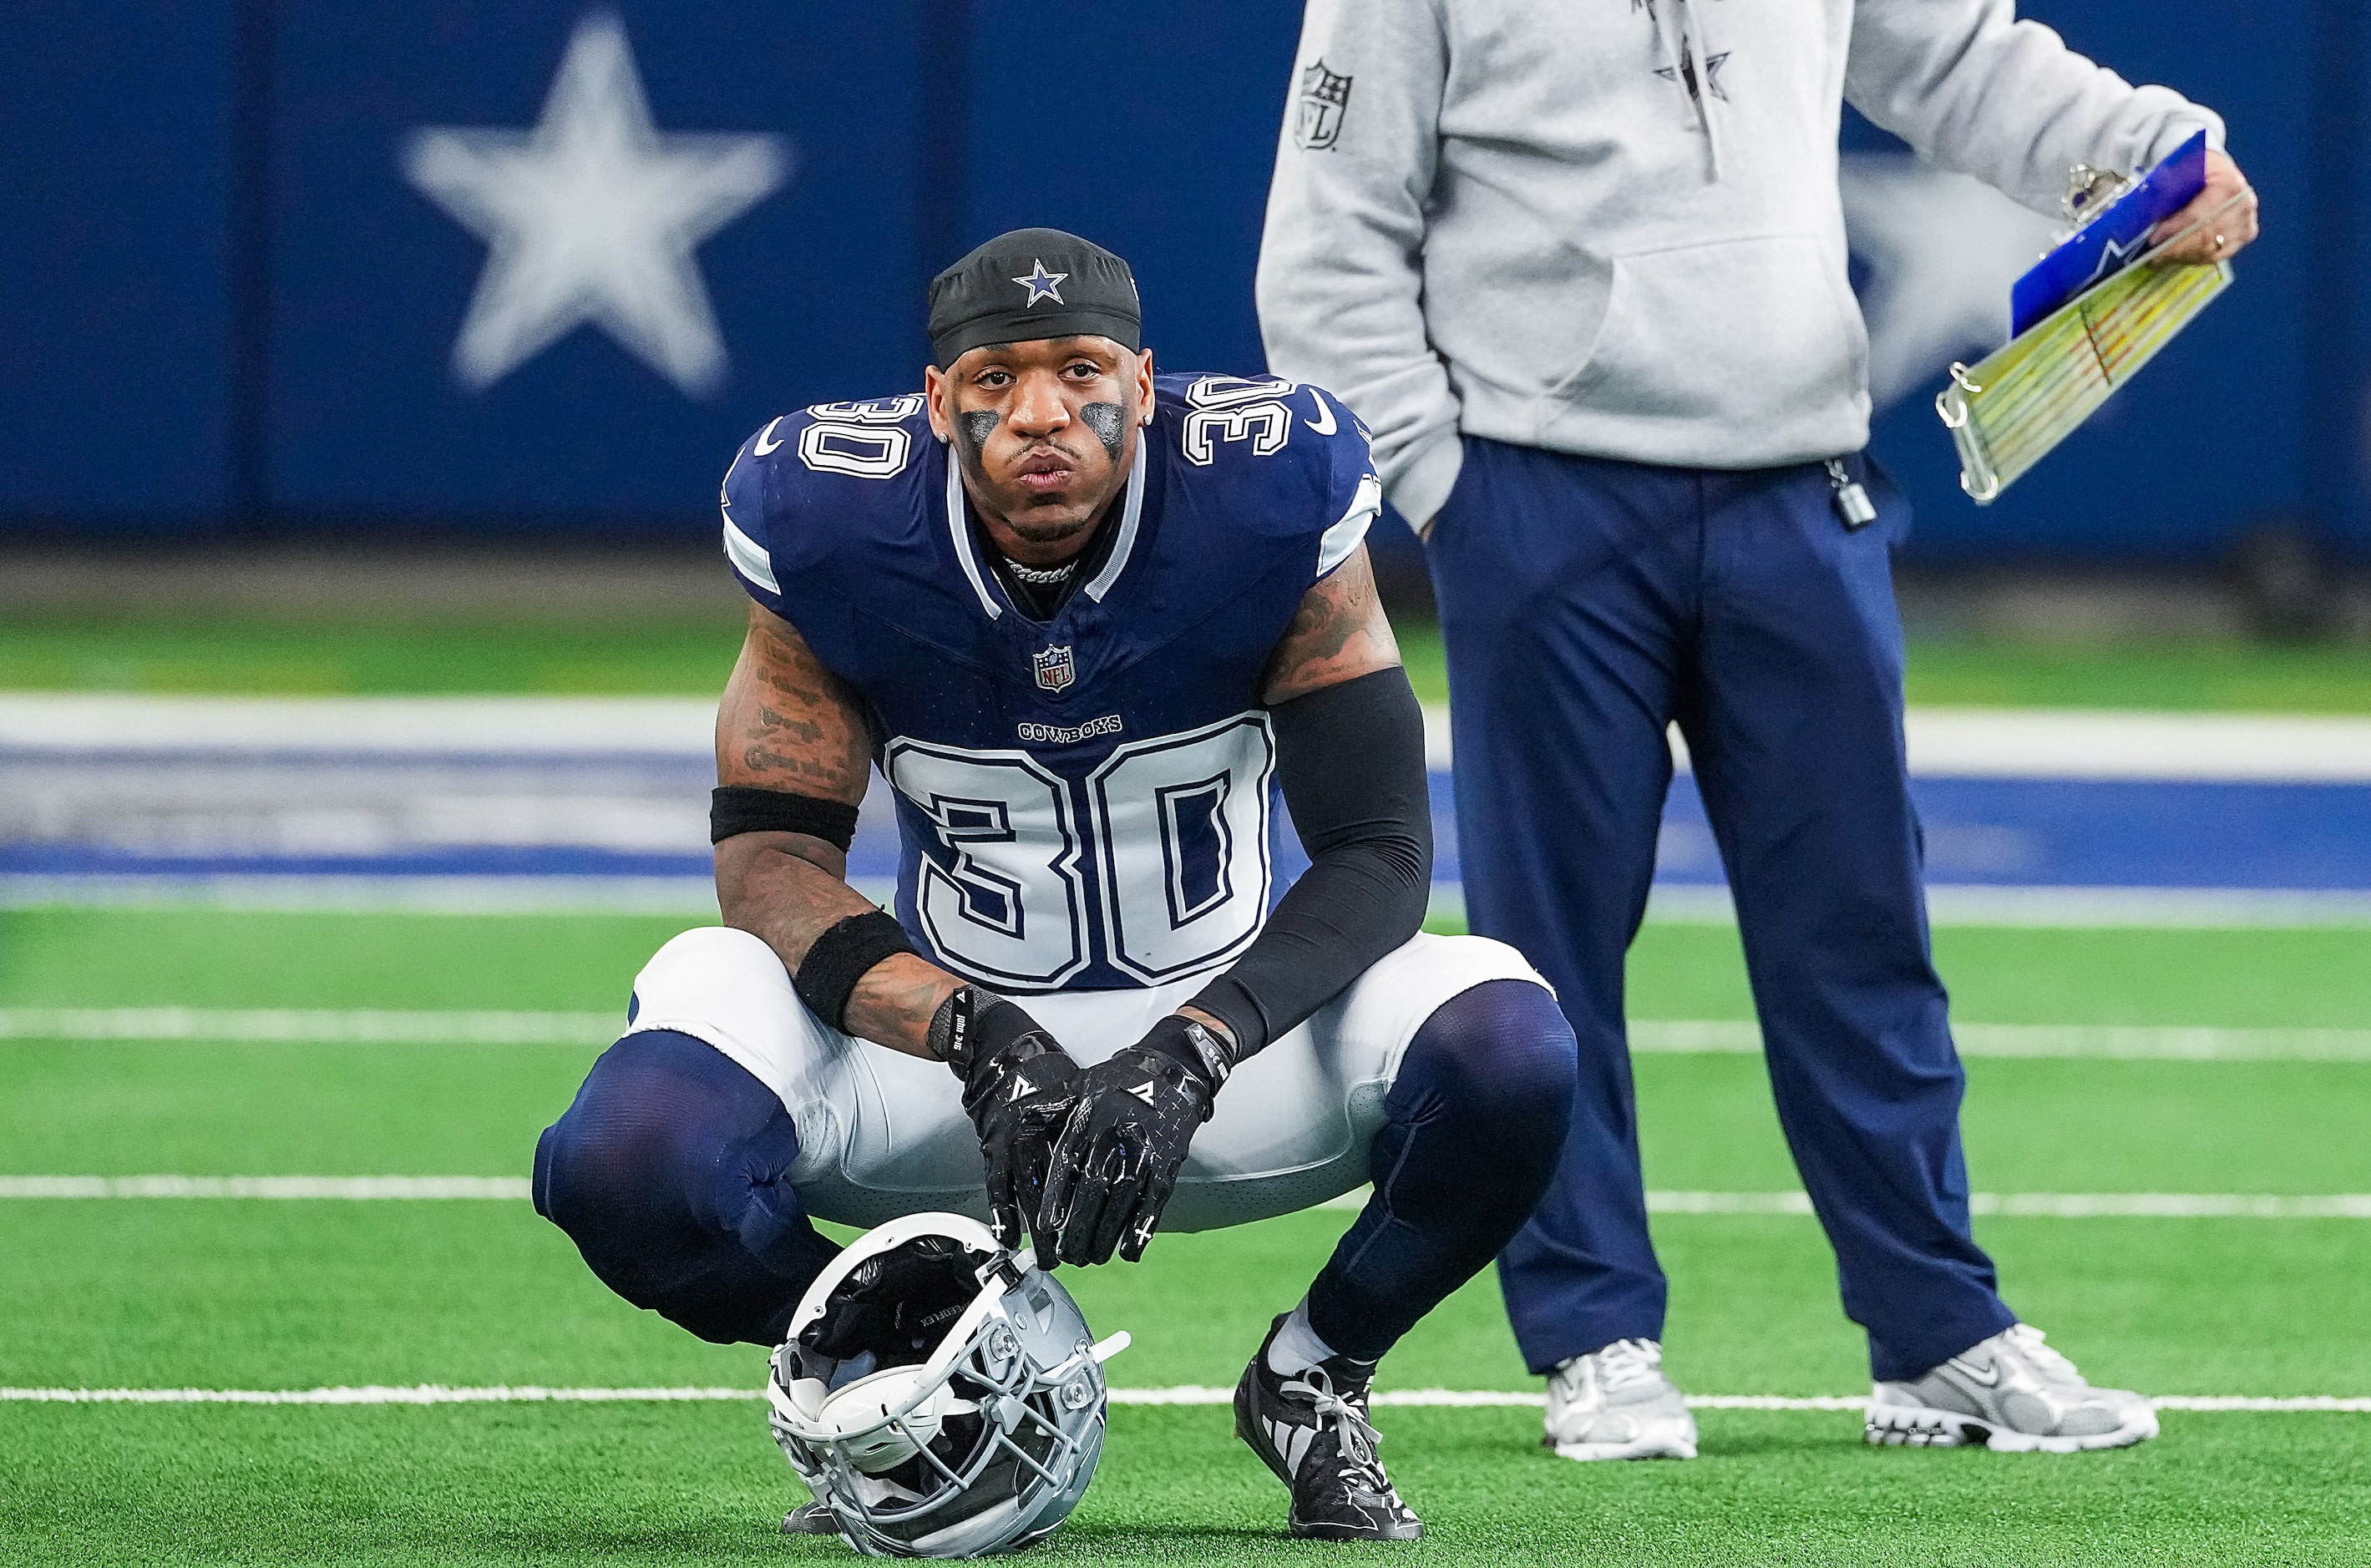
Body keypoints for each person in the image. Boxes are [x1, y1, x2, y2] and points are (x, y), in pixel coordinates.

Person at [1257, 1, 2258, 1459]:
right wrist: (1440, 482)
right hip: (1539, 495)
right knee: (1554, 949)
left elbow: (1962, 59)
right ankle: (1594, 1336)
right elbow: (1329, 230)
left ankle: (1938, 1332)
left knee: (1861, 930)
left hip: (1801, 478)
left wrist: (2153, 149)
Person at [532, 228, 1583, 1539]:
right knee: (626, 1157)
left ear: (1144, 386)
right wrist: (976, 1033)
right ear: (935, 404)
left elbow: (1381, 853)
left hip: (1228, 1044)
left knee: (1510, 1041)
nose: (1040, 414)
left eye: (1080, 370)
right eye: (992, 380)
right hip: (949, 1064)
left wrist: (1194, 1045)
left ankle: (1315, 1377)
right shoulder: (828, 521)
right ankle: (905, 1356)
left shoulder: (1269, 494)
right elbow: (774, 862)